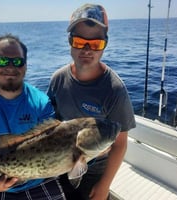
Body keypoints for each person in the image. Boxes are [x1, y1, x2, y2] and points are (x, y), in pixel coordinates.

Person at [0, 33, 66, 200]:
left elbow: (52, 146)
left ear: (25, 65)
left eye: (17, 61)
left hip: (37, 182)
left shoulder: (42, 102)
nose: (10, 66)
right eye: (2, 61)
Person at [47, 4, 136, 200]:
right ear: (70, 42)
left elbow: (120, 144)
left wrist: (104, 185)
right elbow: (48, 123)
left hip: (96, 168)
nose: (87, 50)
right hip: (58, 162)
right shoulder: (58, 79)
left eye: (95, 44)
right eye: (79, 41)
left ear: (105, 44)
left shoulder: (115, 90)